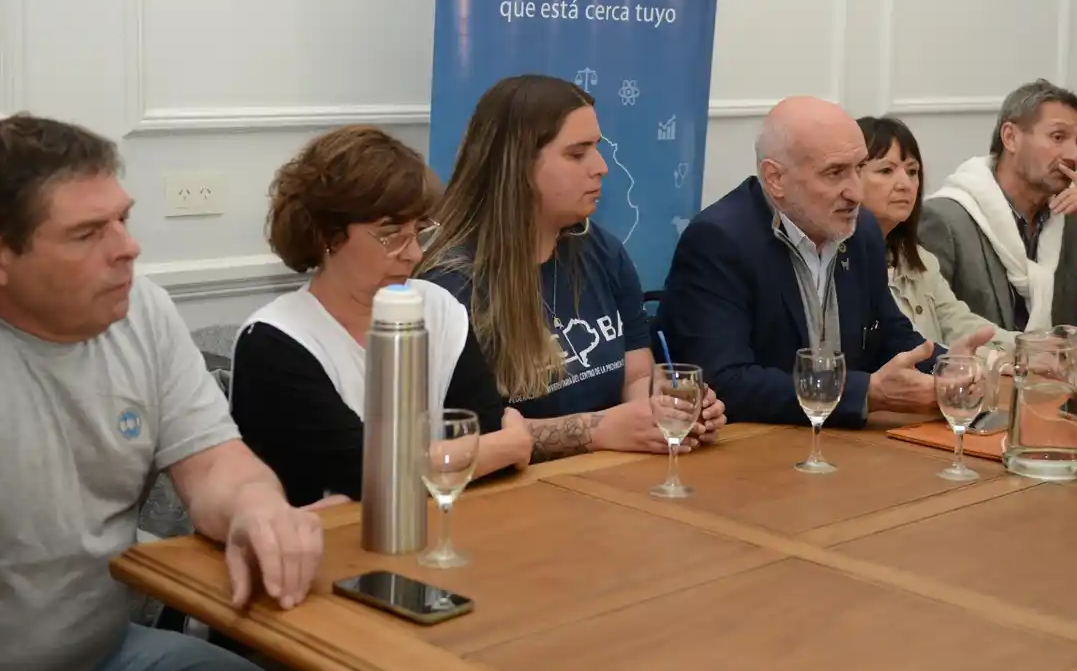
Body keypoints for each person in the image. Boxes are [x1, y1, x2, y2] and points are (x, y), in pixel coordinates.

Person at [0, 115, 319, 671]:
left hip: (106, 664)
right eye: (87, 233)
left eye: (123, 219)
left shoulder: (143, 310)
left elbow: (215, 463)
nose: (128, 248)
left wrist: (258, 508)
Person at [416, 74, 725, 461]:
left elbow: (634, 377)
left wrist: (668, 405)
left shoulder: (601, 250)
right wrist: (597, 430)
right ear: (517, 165)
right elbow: (455, 439)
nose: (601, 167)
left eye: (596, 149)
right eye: (577, 154)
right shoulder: (448, 286)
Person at [230, 127, 534, 508]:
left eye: (419, 231)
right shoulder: (274, 341)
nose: (413, 255)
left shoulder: (436, 307)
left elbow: (483, 429)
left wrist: (482, 451)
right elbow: (368, 473)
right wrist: (507, 446)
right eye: (390, 235)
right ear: (328, 235)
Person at [659, 97, 994, 428]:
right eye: (835, 173)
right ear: (775, 179)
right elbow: (725, 381)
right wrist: (867, 394)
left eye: (859, 168)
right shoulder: (719, 241)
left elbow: (889, 334)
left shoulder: (861, 230)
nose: (856, 193)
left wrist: (943, 366)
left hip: (842, 445)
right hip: (757, 451)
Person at [920, 79, 1077, 332]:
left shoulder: (1076, 220)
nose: (1074, 156)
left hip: (1058, 370)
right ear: (1011, 138)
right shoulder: (944, 219)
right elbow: (932, 331)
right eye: (1058, 137)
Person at [857, 115, 1015, 349]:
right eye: (886, 170)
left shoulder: (917, 257)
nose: (905, 184)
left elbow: (956, 321)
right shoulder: (842, 264)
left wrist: (1027, 346)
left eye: (912, 171)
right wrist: (985, 361)